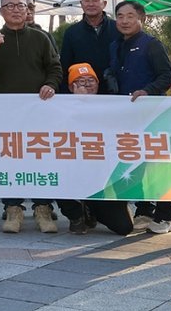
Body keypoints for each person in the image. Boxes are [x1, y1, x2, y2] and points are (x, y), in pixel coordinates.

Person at [0, 0, 62, 234]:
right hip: (5, 114)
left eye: (20, 5)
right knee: (9, 159)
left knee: (40, 158)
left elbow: (55, 68)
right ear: (1, 11)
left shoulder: (41, 38)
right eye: (10, 5)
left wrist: (51, 84)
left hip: (38, 112)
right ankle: (12, 208)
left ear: (28, 10)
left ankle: (42, 208)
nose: (15, 9)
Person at [104, 0, 171, 233]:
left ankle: (166, 216)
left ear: (141, 19)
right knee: (133, 164)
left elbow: (167, 76)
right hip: (125, 116)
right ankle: (144, 210)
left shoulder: (151, 44)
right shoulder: (115, 46)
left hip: (151, 114)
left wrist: (147, 91)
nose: (124, 21)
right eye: (120, 16)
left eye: (130, 16)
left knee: (156, 165)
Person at [56, 63, 134, 235]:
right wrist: (80, 103)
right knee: (55, 175)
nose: (87, 84)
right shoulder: (61, 107)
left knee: (124, 227)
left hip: (103, 178)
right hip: (73, 172)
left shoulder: (111, 105)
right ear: (71, 86)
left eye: (91, 80)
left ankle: (91, 208)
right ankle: (76, 215)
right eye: (81, 81)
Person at [59, 0, 117, 91]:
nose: (91, 4)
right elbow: (65, 65)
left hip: (113, 90)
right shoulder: (72, 32)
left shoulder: (117, 28)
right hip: (82, 90)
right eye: (86, 0)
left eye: (95, 0)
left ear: (104, 3)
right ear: (81, 4)